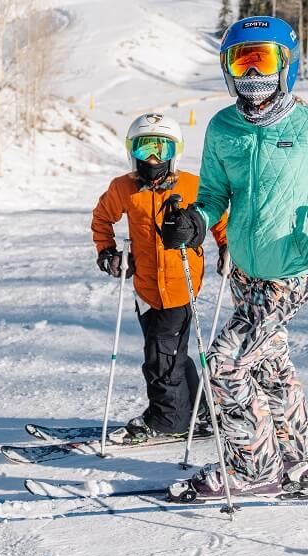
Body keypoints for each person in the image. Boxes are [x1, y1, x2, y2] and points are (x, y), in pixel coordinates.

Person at [160, 15, 308, 501]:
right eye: (242, 59)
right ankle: (300, 459)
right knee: (269, 364)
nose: (252, 72)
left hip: (291, 272)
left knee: (225, 363)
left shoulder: (307, 125)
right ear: (227, 67)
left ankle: (254, 468)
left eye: (262, 58)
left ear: (287, 64)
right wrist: (196, 221)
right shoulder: (223, 128)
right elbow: (215, 193)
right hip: (245, 272)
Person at [91, 112, 229, 444]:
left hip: (181, 284)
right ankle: (199, 410)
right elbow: (101, 219)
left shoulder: (193, 186)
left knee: (160, 356)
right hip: (145, 288)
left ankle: (169, 419)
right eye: (144, 149)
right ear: (131, 151)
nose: (152, 158)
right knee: (170, 352)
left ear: (174, 152)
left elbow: (220, 219)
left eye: (161, 149)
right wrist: (108, 252)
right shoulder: (123, 188)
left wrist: (227, 247)